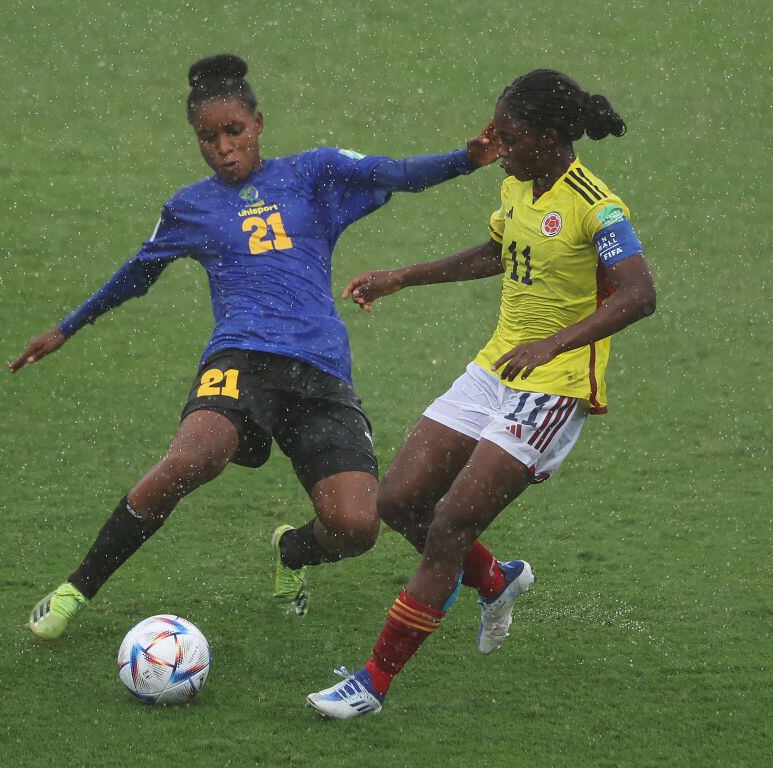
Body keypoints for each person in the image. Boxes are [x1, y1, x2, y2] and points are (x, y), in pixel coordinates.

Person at [13, 53, 499, 640]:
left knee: (356, 526)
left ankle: (291, 552)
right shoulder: (190, 206)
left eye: (234, 131)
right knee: (195, 456)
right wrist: (66, 327)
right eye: (207, 138)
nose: (222, 147)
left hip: (321, 371)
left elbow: (395, 173)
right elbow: (137, 274)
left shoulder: (313, 173)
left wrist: (466, 160)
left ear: (259, 123)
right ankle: (77, 588)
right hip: (240, 358)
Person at [307, 68, 657, 718]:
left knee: (449, 525)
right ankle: (496, 580)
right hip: (495, 370)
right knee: (401, 500)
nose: (497, 146)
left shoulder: (597, 206)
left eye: (510, 136)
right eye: (496, 132)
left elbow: (640, 294)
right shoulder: (517, 185)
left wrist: (553, 345)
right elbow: (498, 253)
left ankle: (372, 685)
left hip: (550, 389)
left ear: (550, 138)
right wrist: (402, 277)